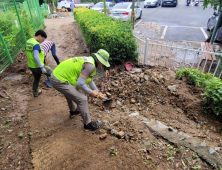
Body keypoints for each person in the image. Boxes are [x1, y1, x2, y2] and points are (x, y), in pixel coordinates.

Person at [50, 49, 110, 131]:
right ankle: (88, 125)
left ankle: (73, 111)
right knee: (82, 99)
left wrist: (98, 92)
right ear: (100, 60)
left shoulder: (89, 60)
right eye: (103, 62)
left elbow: (89, 80)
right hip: (59, 79)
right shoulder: (90, 66)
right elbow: (80, 84)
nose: (103, 65)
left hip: (57, 75)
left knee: (70, 92)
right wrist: (90, 92)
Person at [26, 30, 53, 97]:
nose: (43, 41)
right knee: (54, 74)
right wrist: (41, 67)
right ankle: (67, 89)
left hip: (31, 66)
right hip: (38, 66)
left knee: (36, 78)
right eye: (43, 39)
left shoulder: (28, 41)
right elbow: (35, 56)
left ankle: (35, 92)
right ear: (39, 36)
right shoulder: (36, 44)